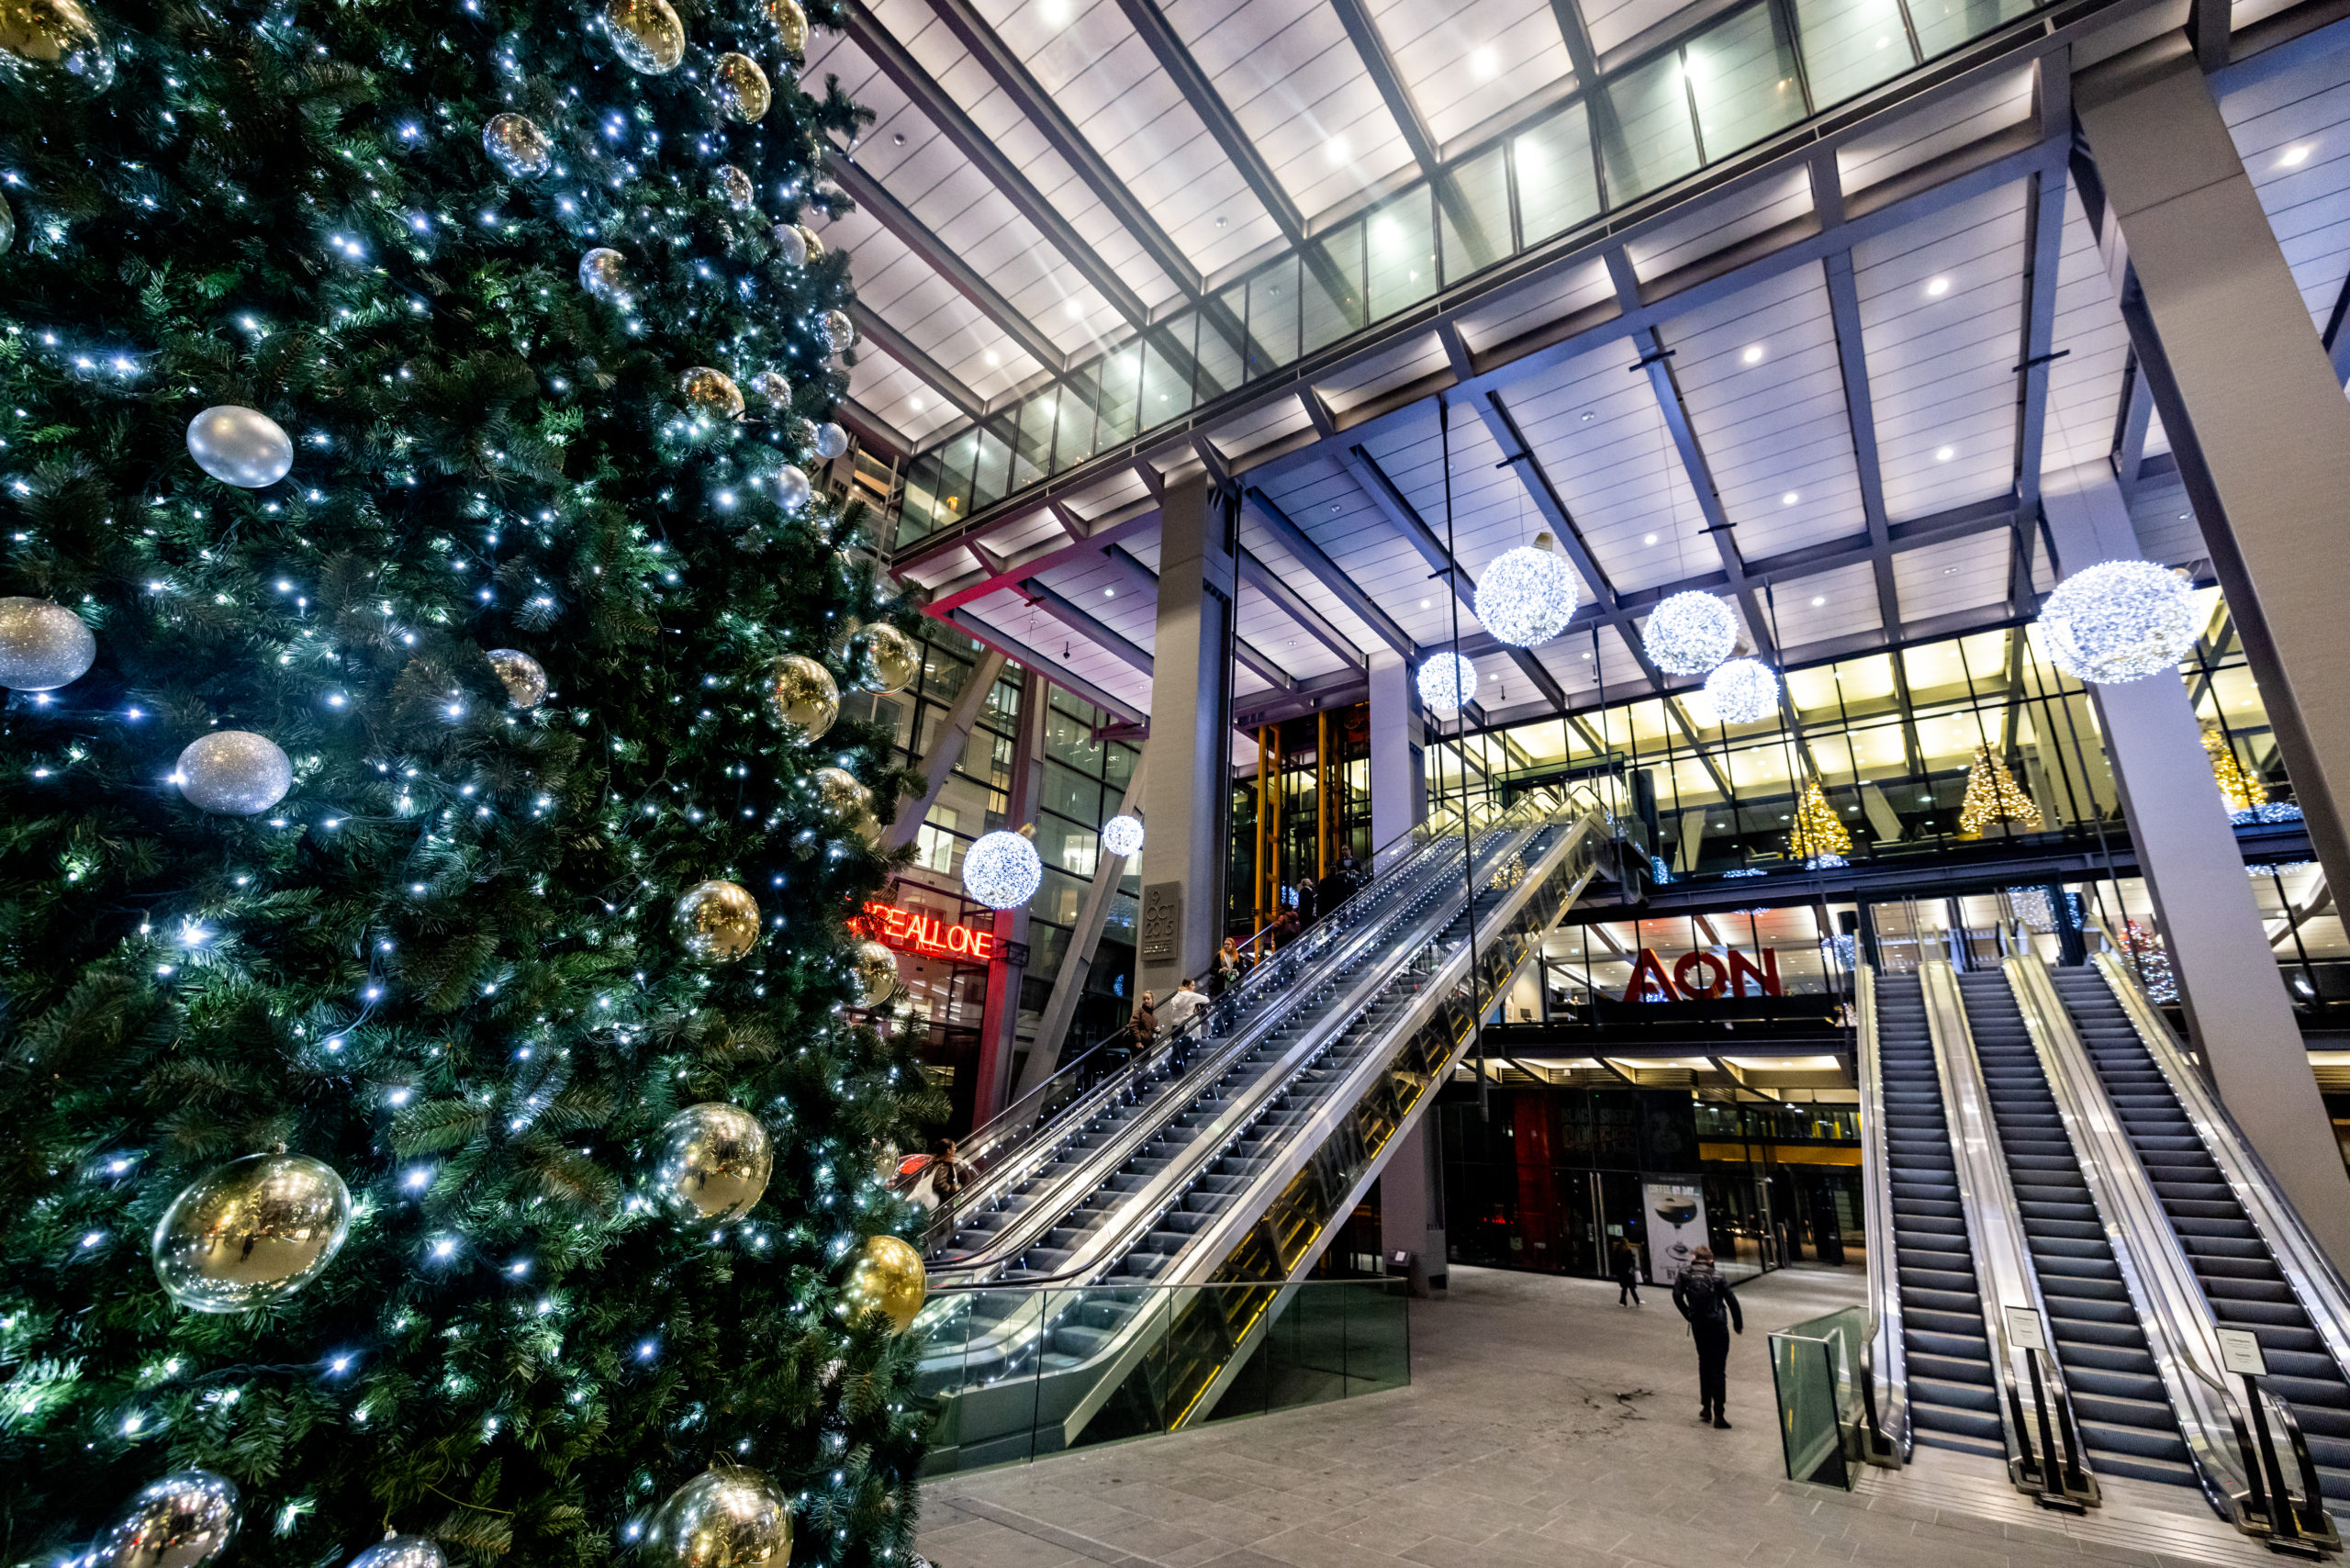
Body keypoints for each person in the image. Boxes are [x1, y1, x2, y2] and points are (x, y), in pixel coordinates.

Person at [1673, 1246, 1744, 1428]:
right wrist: (1738, 1324)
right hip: (1718, 1325)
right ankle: (1719, 1415)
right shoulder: (1717, 1275)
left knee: (1704, 1363)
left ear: (1695, 1257)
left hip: (1699, 1325)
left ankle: (1706, 1408)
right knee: (1718, 1369)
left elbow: (1676, 1295)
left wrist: (1688, 1314)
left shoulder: (1684, 1273)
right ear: (1711, 1260)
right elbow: (1732, 1300)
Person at [1610, 1237, 1643, 1307]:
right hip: (1628, 1272)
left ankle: (1623, 1302)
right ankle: (1637, 1301)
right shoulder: (1628, 1251)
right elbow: (1631, 1261)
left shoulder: (1617, 1251)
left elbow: (1615, 1262)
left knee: (1624, 1288)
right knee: (1632, 1288)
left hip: (1621, 1273)